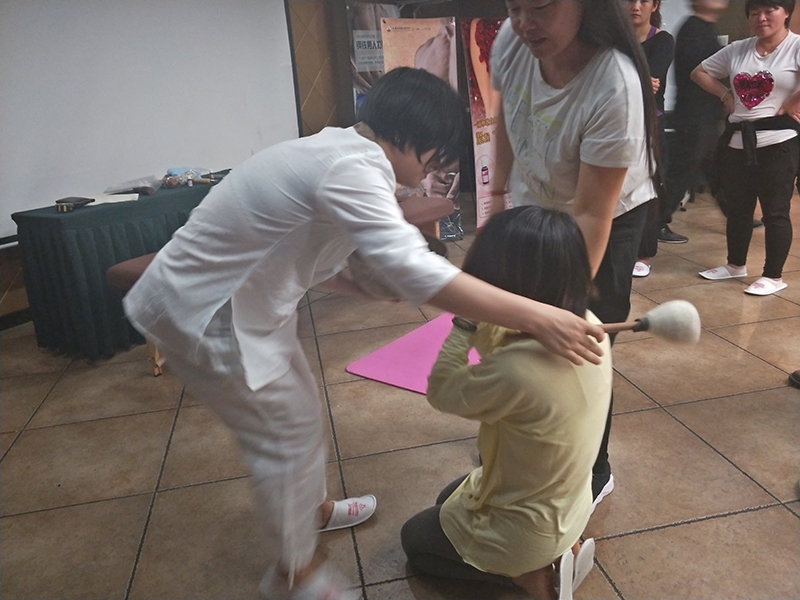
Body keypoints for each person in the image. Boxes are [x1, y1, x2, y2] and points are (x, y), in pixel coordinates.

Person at [123, 67, 606, 600]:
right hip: (206, 311)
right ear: (415, 139)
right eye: (432, 161)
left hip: (245, 303)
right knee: (281, 439)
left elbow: (305, 250)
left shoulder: (338, 152)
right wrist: (537, 315)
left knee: (301, 412)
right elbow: (415, 271)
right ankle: (294, 574)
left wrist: (361, 286)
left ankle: (311, 512)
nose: (425, 178)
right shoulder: (351, 167)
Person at [488, 0, 660, 506]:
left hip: (606, 216)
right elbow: (507, 114)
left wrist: (562, 305)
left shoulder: (614, 83)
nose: (525, 23)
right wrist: (496, 193)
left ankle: (592, 469)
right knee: (522, 338)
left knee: (582, 347)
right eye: (514, 7)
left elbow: (590, 213)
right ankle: (526, 448)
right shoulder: (513, 39)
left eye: (540, 7)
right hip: (537, 204)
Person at [401, 206, 612, 600]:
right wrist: (499, 311)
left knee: (415, 540)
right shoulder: (587, 324)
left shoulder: (517, 370)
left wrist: (466, 317)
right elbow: (497, 342)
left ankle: (529, 575)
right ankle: (566, 545)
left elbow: (441, 390)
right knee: (447, 499)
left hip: (531, 531)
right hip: (571, 503)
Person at [692, 0, 800, 296]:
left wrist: (791, 102)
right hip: (738, 141)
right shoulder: (738, 49)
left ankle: (773, 275)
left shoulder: (795, 46)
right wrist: (725, 94)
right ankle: (735, 264)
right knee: (738, 209)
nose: (761, 18)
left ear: (786, 12)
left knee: (775, 211)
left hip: (778, 142)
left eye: (769, 10)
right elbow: (699, 72)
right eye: (754, 13)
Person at [659, 0, 730, 245]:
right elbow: (700, 74)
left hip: (705, 116)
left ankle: (736, 215)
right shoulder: (693, 29)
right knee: (682, 173)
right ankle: (656, 223)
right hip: (693, 116)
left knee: (715, 170)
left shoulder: (705, 28)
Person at [630, 0, 675, 277]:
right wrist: (639, 80)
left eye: (643, 1)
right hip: (617, 119)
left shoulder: (662, 40)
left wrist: (629, 80)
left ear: (654, 5)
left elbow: (653, 83)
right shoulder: (614, 41)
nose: (635, 6)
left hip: (650, 122)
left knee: (648, 186)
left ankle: (644, 254)